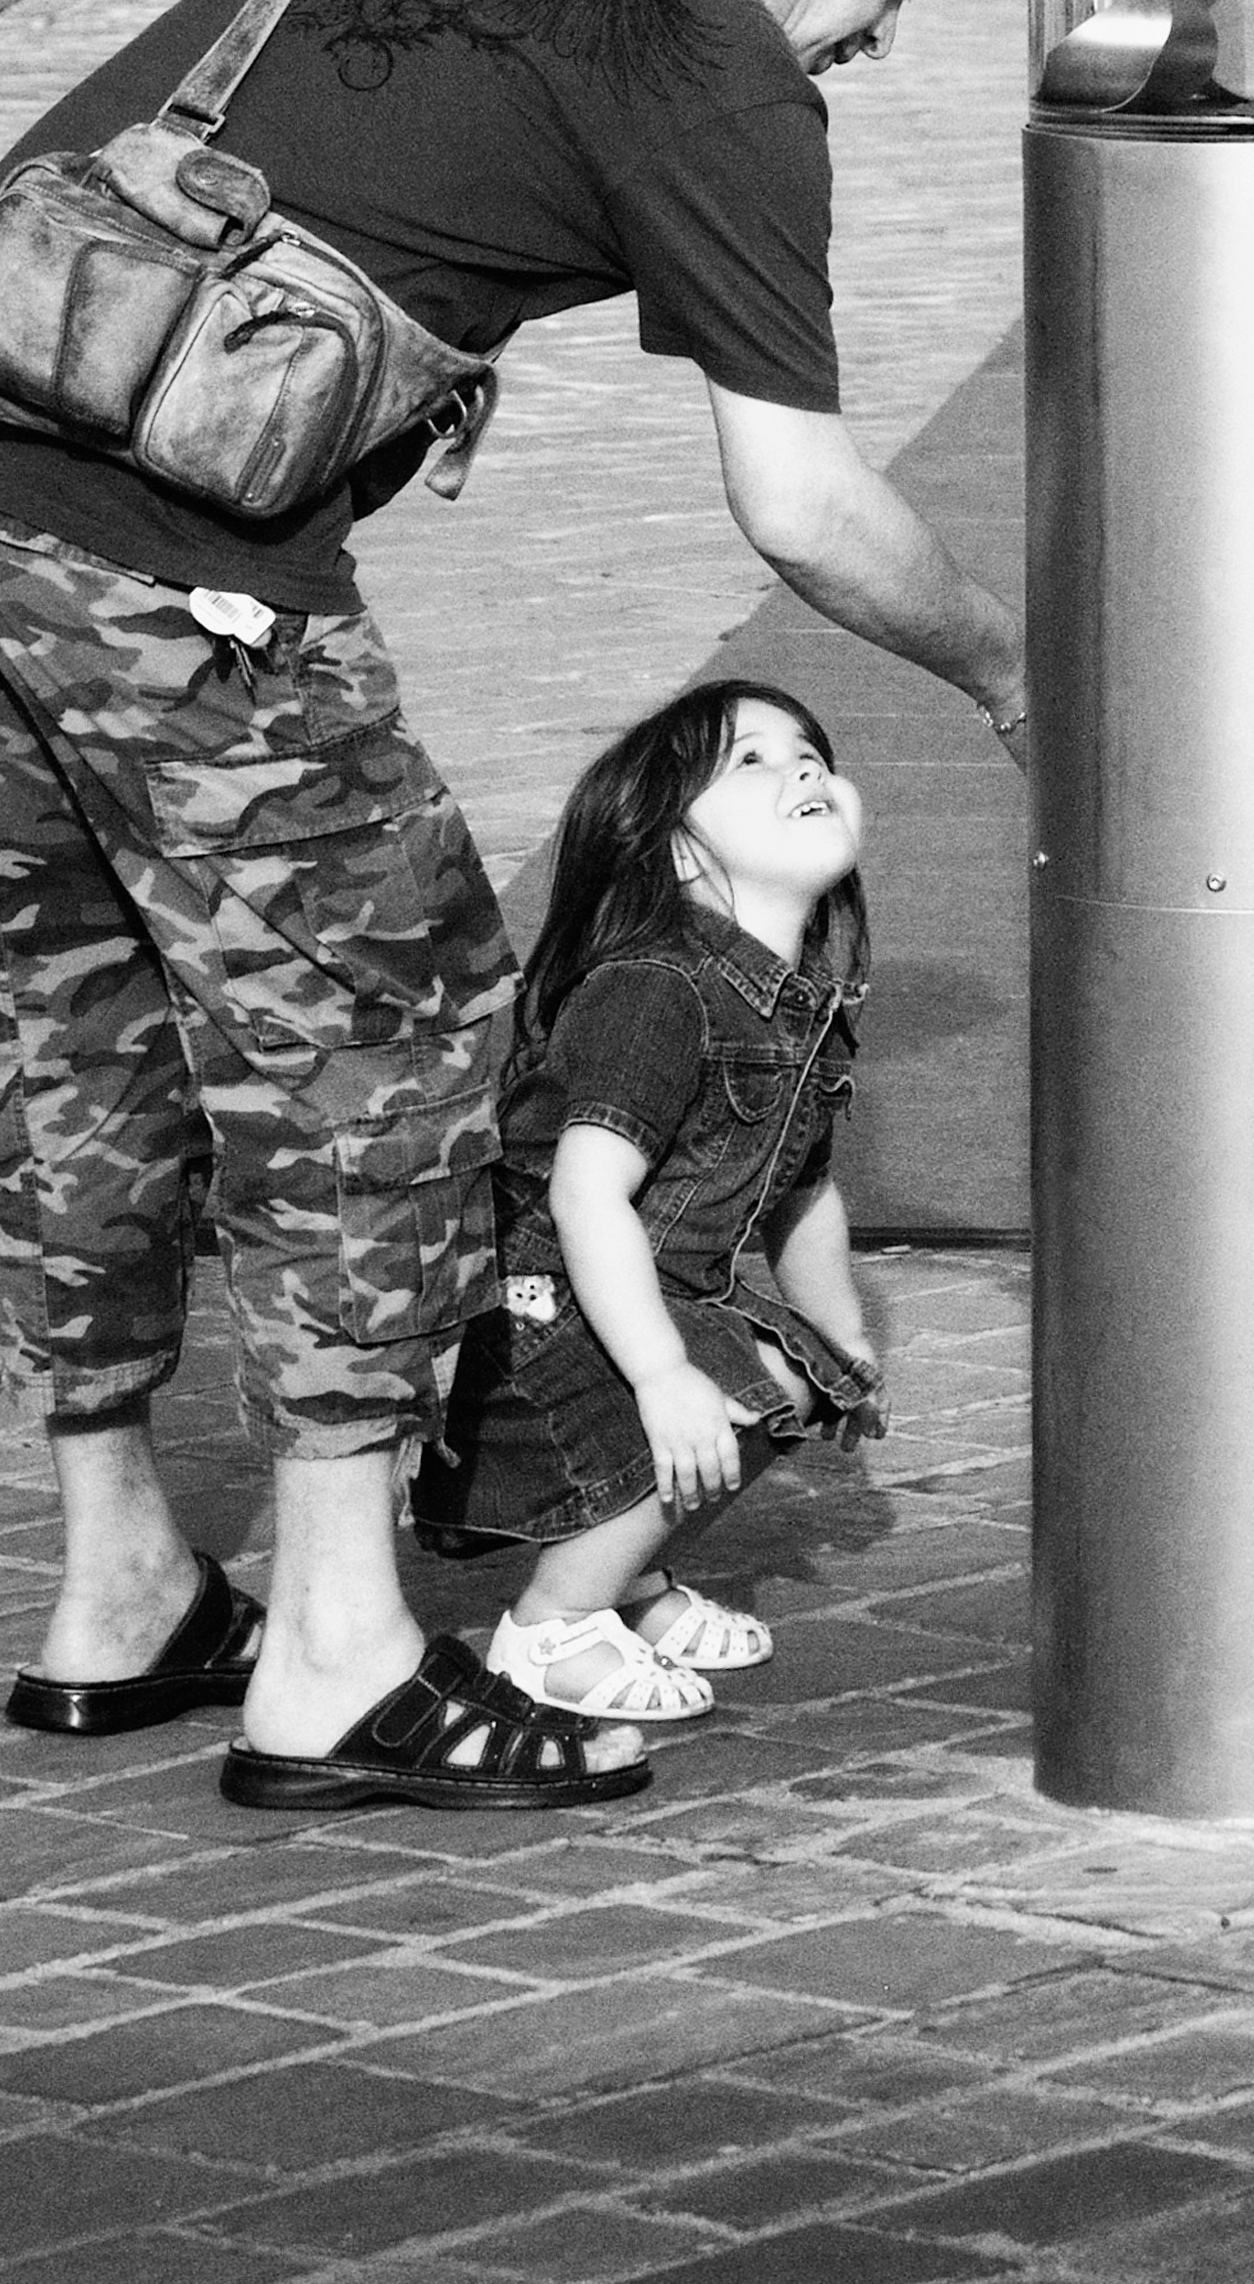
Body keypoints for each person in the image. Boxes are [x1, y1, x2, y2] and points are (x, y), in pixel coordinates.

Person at [0, 0, 1025, 1819]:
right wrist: (1015, 669)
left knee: (67, 1020)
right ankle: (336, 1659)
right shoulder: (711, 43)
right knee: (386, 1044)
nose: (877, 40)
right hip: (173, 549)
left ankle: (119, 1581)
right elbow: (805, 504)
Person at [413, 682, 880, 1726]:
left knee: (799, 1373)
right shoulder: (656, 990)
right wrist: (664, 1370)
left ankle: (628, 1583)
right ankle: (553, 1629)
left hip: (630, 1291)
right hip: (544, 1303)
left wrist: (847, 1339)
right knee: (742, 1388)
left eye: (807, 749)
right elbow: (584, 1193)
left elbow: (801, 1190)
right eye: (749, 761)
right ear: (672, 851)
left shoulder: (799, 1006)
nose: (800, 766)